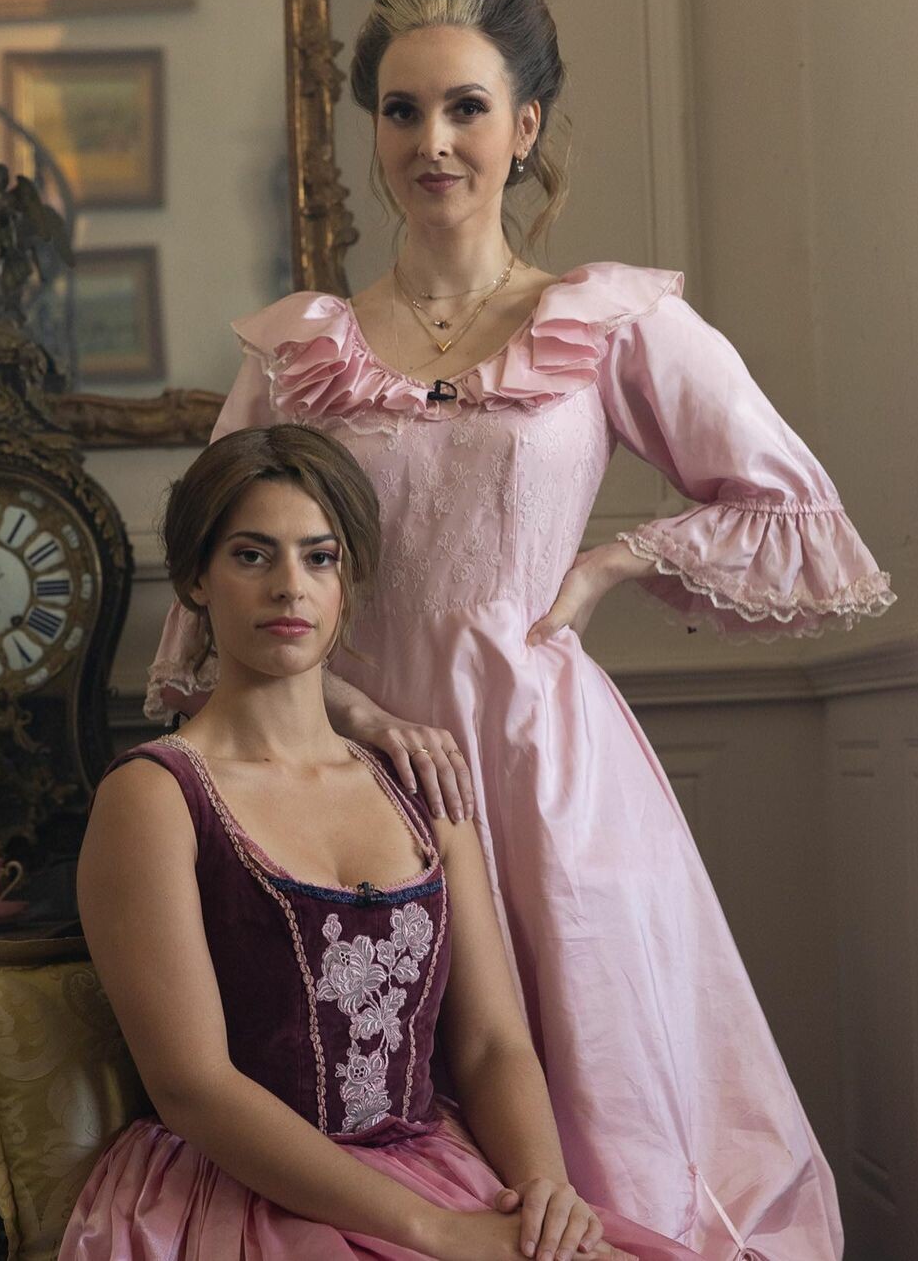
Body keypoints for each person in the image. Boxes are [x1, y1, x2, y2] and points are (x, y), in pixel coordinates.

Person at [147, 0, 895, 1260]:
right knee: (393, 1098)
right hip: (359, 769)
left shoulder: (602, 322)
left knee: (596, 1103)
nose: (431, 142)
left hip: (551, 767)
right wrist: (356, 711)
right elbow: (221, 573)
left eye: (466, 108)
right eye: (401, 110)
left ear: (525, 125)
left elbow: (794, 507)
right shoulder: (304, 351)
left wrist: (607, 567)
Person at [61, 424, 700, 1261]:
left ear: (348, 580)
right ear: (195, 580)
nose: (290, 586)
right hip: (241, 1192)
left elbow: (492, 1043)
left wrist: (544, 1189)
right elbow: (194, 1087)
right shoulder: (155, 795)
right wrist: (435, 1230)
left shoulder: (419, 785)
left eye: (319, 558)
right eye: (252, 556)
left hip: (434, 1169)